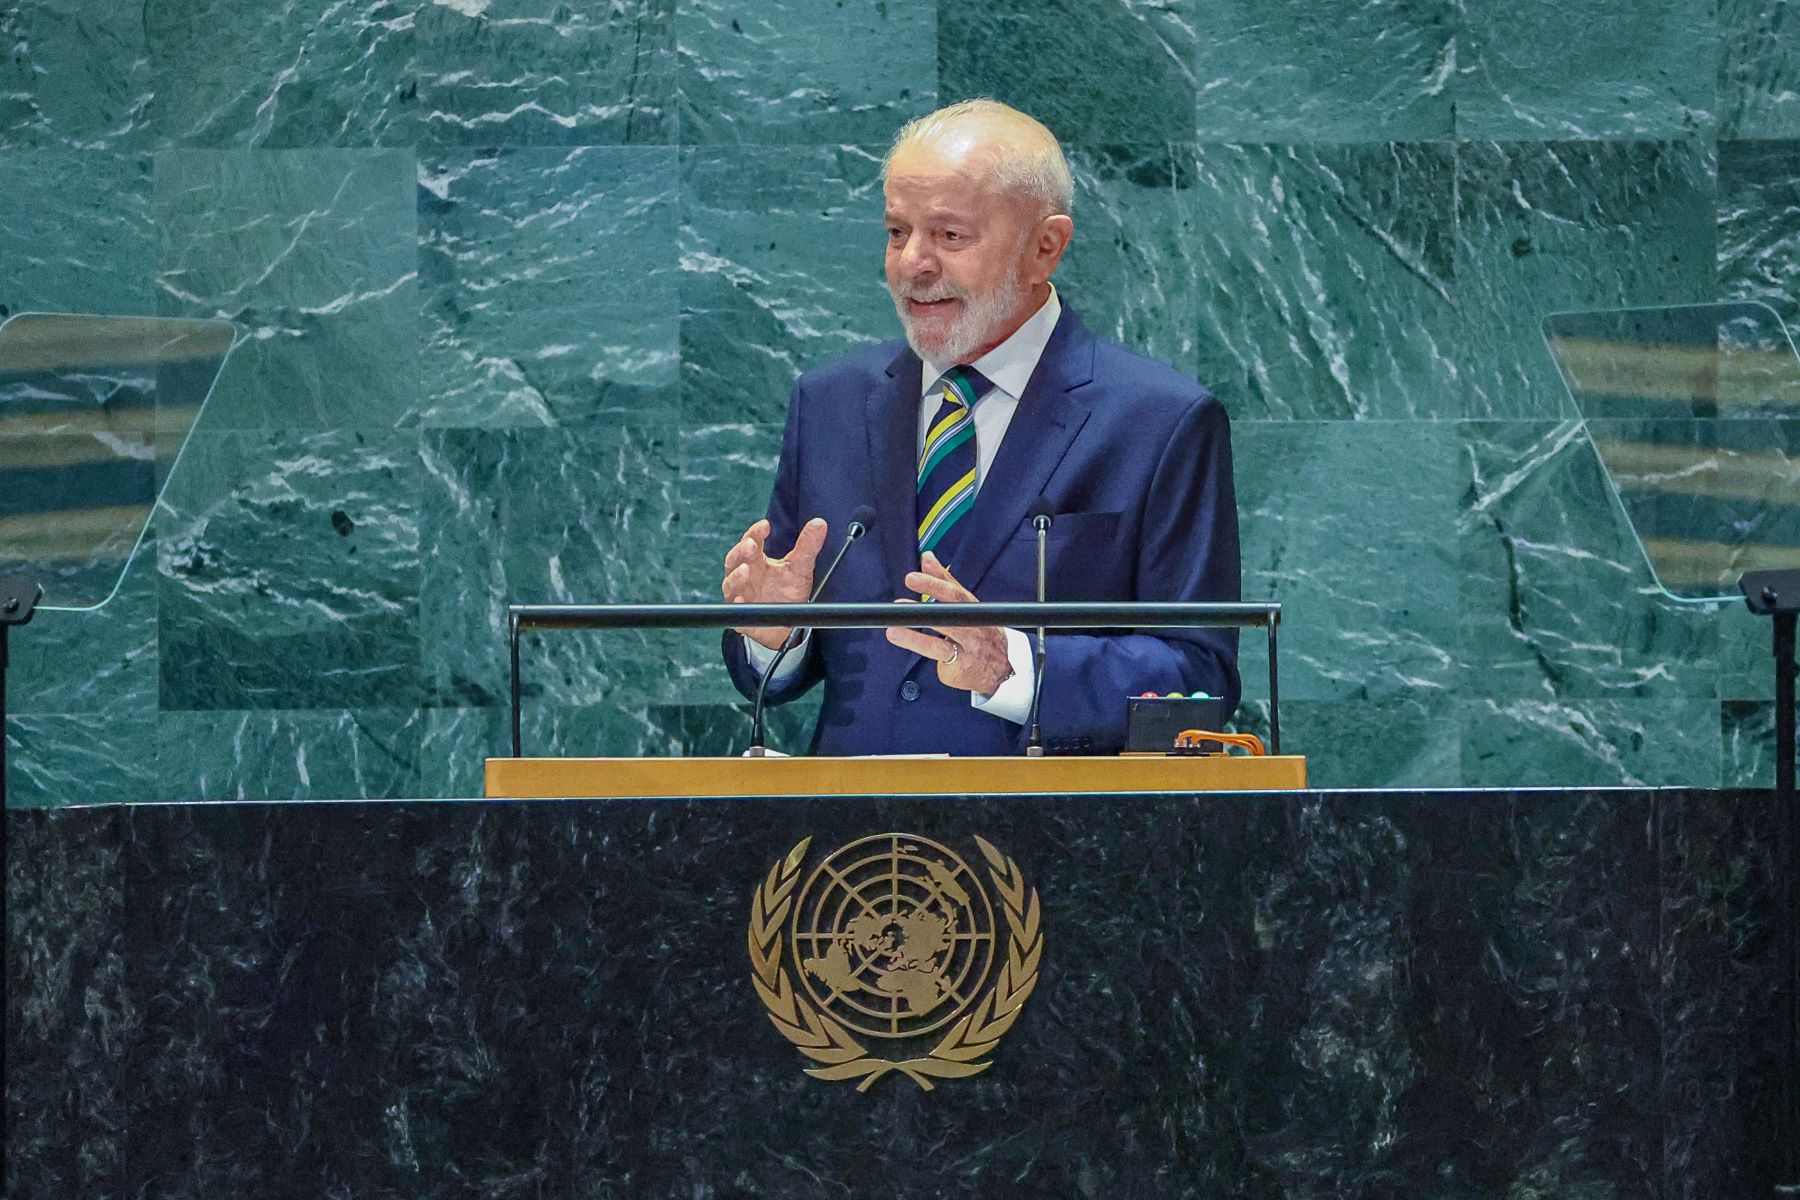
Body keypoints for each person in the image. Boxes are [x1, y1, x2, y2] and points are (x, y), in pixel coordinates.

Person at [719, 99, 1240, 756]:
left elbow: (1201, 680)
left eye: (950, 236)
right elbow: (783, 671)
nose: (914, 263)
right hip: (853, 845)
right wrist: (774, 635)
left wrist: (1013, 666)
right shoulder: (829, 403)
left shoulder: (1160, 422)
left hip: (1054, 840)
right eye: (896, 232)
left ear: (1044, 247)